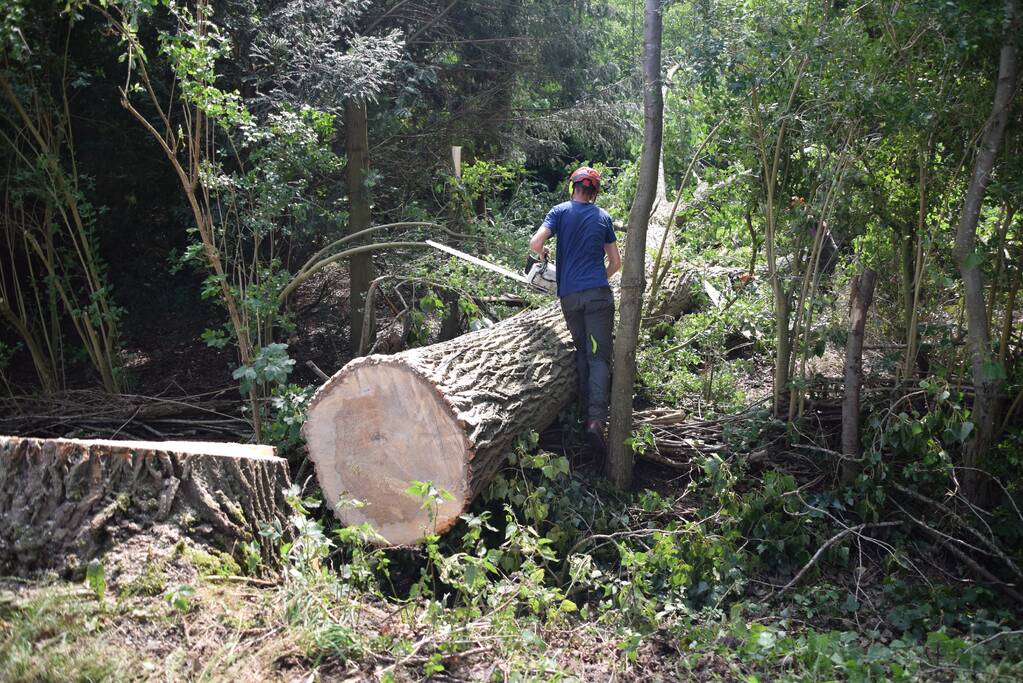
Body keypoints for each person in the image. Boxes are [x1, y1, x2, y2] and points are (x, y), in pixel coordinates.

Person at [529, 166, 622, 455]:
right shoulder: (603, 217)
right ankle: (595, 420)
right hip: (597, 297)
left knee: (583, 352)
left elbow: (535, 242)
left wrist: (543, 255)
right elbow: (616, 262)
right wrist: (597, 280)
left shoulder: (558, 212)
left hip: (569, 297)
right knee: (599, 358)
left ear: (573, 188)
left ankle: (584, 415)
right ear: (595, 192)